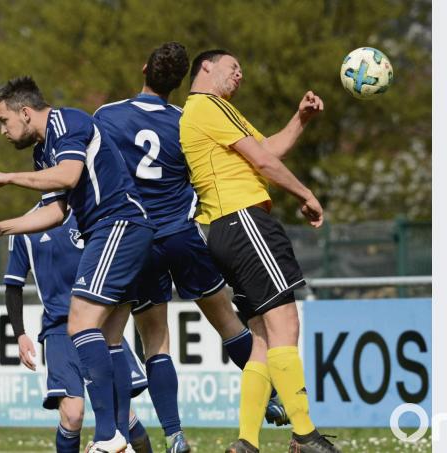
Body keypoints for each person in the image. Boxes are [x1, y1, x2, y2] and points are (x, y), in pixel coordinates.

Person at [93, 42, 288, 452]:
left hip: (138, 240)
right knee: (228, 322)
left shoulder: (107, 117)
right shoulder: (184, 120)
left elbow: (99, 176)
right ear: (180, 82)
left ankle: (175, 434)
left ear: (144, 69)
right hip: (183, 234)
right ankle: (270, 395)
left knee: (155, 338)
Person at [0, 76, 154, 453]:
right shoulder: (43, 151)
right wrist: (3, 228)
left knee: (80, 323)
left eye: (4, 121)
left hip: (119, 224)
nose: (3, 130)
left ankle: (109, 437)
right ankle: (119, 440)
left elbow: (69, 175)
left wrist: (6, 178)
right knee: (110, 337)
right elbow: (55, 211)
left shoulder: (67, 122)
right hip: (112, 229)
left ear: (24, 112)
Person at [179, 50, 340, 453]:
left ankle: (247, 442)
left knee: (262, 339)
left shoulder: (209, 112)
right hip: (244, 221)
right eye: (233, 68)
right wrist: (305, 193)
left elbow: (267, 148)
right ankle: (305, 435)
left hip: (224, 228)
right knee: (285, 323)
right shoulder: (209, 107)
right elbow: (264, 163)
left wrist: (300, 119)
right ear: (206, 68)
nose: (240, 75)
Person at [2, 205, 153, 453]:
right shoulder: (24, 226)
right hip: (59, 330)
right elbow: (13, 285)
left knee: (122, 416)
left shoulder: (94, 212)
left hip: (98, 323)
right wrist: (20, 333)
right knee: (72, 416)